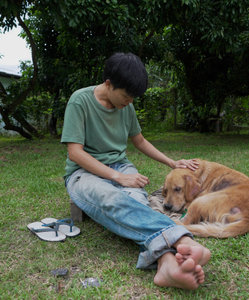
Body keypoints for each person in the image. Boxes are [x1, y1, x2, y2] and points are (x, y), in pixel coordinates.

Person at [61, 52, 211, 289]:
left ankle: (167, 264)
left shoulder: (125, 107)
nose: (129, 102)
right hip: (84, 173)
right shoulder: (79, 101)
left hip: (121, 168)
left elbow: (139, 141)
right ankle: (180, 237)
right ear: (108, 84)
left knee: (137, 201)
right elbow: (75, 153)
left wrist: (172, 163)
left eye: (133, 98)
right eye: (126, 96)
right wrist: (117, 177)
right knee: (110, 197)